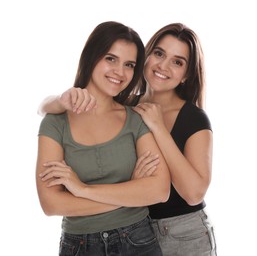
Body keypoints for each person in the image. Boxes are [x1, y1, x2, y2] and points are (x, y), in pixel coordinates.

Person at [38, 23, 217, 256]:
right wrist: (57, 101)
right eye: (159, 54)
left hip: (181, 231)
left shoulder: (193, 118)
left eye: (177, 62)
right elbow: (45, 109)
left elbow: (192, 194)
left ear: (186, 75)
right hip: (138, 227)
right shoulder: (128, 105)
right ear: (147, 57)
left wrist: (158, 127)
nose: (163, 66)